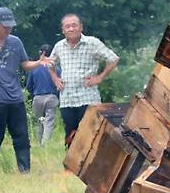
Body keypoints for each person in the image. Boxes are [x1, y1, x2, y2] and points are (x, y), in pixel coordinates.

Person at [0, 7, 52, 175]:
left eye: (11, 26)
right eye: (5, 26)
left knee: (21, 136)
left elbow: (25, 64)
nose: (9, 29)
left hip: (16, 98)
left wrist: (39, 62)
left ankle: (25, 171)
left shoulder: (16, 42)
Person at [49, 13, 119, 147]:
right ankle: (71, 167)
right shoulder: (59, 46)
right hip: (67, 99)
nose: (71, 29)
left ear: (81, 27)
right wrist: (55, 79)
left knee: (91, 136)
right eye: (67, 27)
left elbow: (113, 59)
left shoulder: (92, 42)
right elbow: (50, 65)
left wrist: (100, 77)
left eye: (74, 25)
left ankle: (92, 166)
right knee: (70, 137)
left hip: (87, 98)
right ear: (63, 30)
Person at [26, 44, 61, 146]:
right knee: (49, 122)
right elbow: (61, 84)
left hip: (37, 97)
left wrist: (34, 94)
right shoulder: (57, 69)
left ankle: (39, 144)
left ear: (41, 53)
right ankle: (45, 145)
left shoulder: (34, 68)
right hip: (51, 97)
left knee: (40, 122)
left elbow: (29, 86)